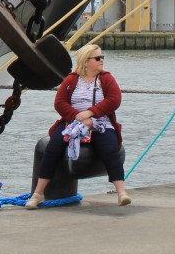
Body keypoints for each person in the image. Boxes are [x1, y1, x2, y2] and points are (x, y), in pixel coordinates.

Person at [26, 44, 131, 209]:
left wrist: (91, 113)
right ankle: (38, 194)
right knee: (52, 148)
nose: (101, 60)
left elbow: (114, 99)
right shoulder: (71, 79)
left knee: (110, 148)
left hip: (99, 122)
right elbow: (59, 103)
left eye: (102, 57)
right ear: (86, 61)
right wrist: (77, 116)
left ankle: (121, 193)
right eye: (98, 58)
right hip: (72, 121)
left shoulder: (106, 78)